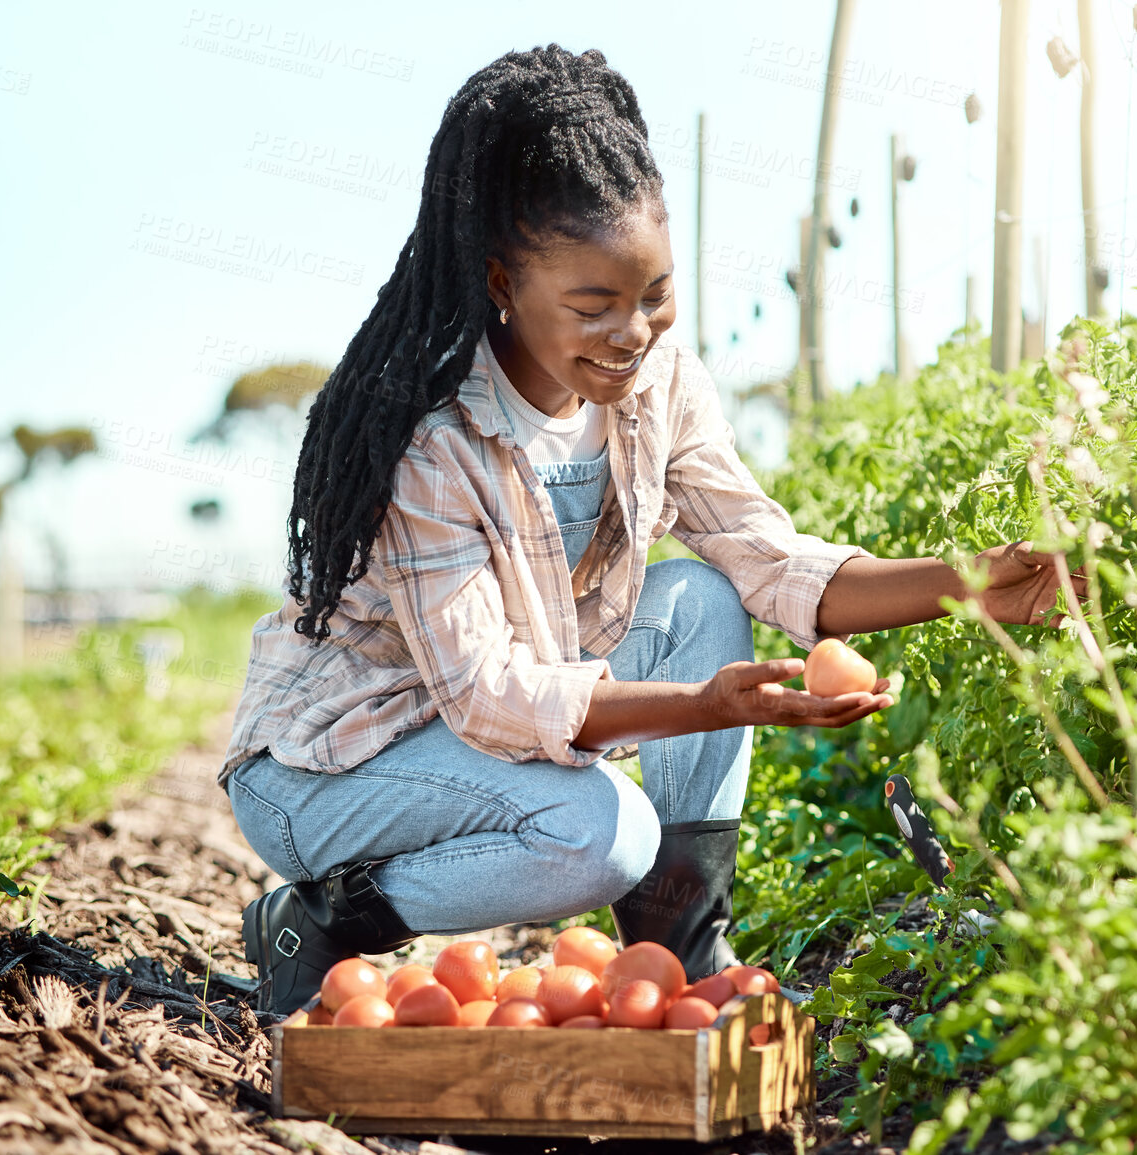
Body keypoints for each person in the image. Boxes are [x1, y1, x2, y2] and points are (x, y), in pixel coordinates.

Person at [220, 45, 1071, 1017]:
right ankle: (320, 919)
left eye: (655, 295)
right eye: (595, 305)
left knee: (700, 598)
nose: (632, 331)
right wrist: (711, 707)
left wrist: (969, 581)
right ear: (502, 280)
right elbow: (492, 699)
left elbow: (772, 561)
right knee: (601, 833)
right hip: (336, 769)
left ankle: (677, 941)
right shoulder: (435, 436)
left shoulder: (656, 380)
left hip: (477, 742)